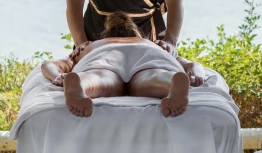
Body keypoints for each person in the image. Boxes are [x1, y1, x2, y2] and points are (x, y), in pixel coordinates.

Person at [42, 12, 204, 118]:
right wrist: (195, 74)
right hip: (148, 54)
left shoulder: (91, 45)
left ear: (107, 34)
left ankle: (82, 84)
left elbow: (49, 65)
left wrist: (57, 76)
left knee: (100, 77)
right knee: (152, 75)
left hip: (104, 55)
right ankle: (170, 82)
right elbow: (191, 64)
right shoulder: (154, 44)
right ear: (136, 33)